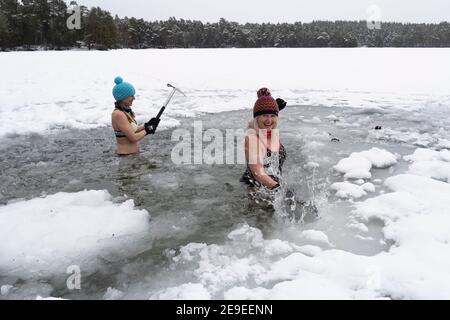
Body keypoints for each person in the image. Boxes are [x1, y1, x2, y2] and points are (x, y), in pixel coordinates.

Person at [241, 88, 287, 191]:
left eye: (273, 116)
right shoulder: (252, 138)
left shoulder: (269, 132)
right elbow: (258, 173)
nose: (269, 120)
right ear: (257, 118)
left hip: (273, 187)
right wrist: (280, 189)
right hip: (257, 193)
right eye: (265, 115)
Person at [111, 76, 160, 155]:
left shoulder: (126, 112)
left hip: (134, 155)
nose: (134, 98)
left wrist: (147, 125)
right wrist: (147, 130)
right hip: (126, 157)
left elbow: (134, 130)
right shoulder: (118, 114)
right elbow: (133, 138)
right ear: (123, 98)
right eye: (131, 96)